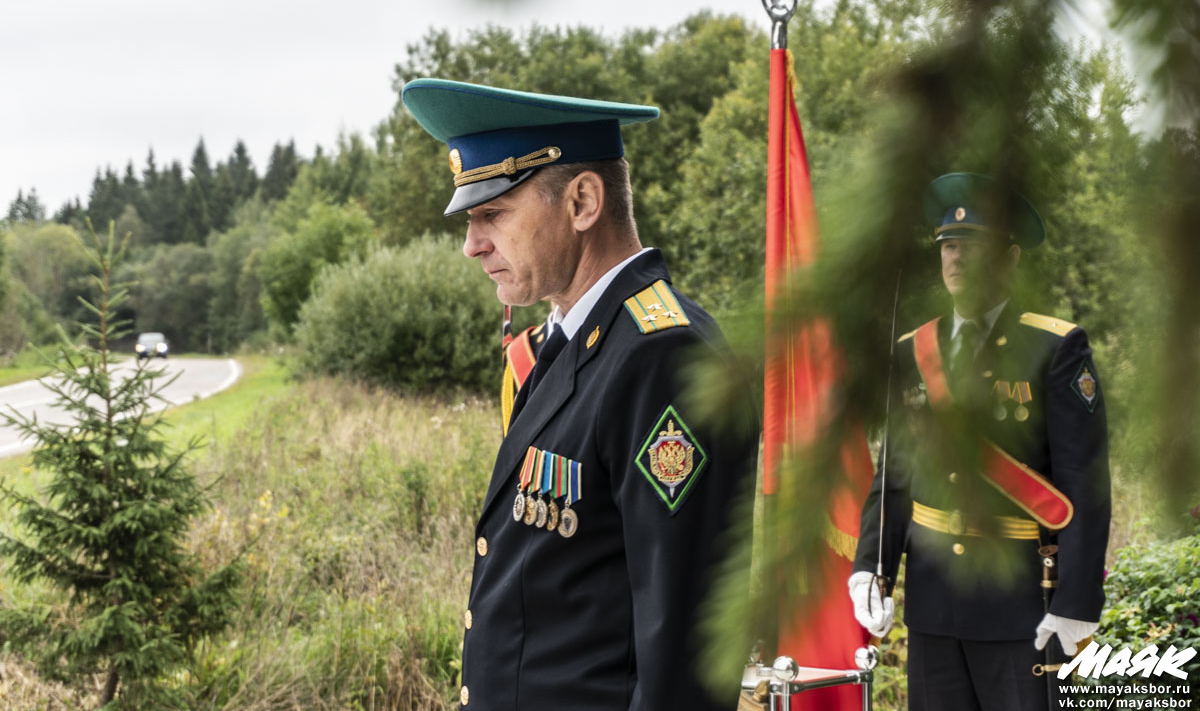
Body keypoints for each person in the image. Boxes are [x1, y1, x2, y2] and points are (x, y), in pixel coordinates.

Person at [401, 78, 759, 711]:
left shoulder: (662, 356)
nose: (472, 244)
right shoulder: (575, 337)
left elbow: (686, 651)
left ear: (583, 201)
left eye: (494, 214)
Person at [848, 172, 1111, 710]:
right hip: (934, 602)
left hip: (1024, 606)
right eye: (948, 246)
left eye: (973, 246)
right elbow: (896, 471)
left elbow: (1084, 480)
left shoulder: (1053, 348)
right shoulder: (914, 349)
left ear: (1011, 258)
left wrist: (1077, 602)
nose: (957, 259)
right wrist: (871, 568)